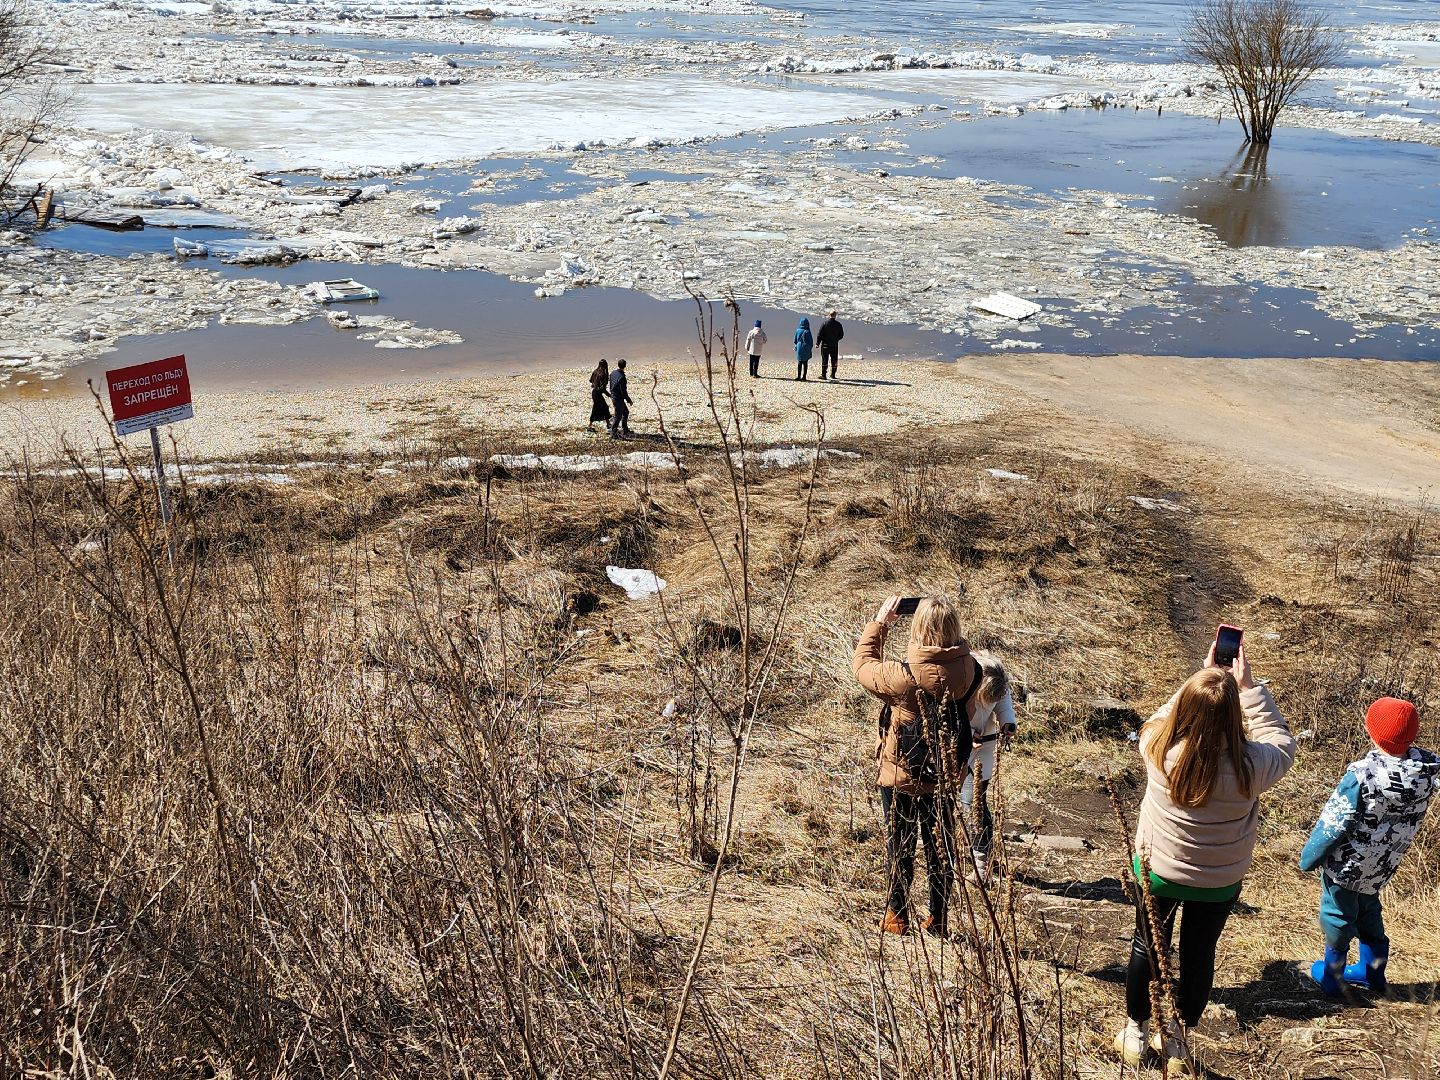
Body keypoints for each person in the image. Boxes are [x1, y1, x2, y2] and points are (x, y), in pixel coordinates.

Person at [1115, 643, 1296, 1074]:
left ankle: (1136, 1031)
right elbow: (1282, 742)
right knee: (1199, 957)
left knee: (1146, 946)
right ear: (1236, 716)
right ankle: (1176, 1041)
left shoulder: (1159, 749)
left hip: (1157, 872)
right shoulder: (1254, 764)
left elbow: (1161, 717)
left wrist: (1199, 681)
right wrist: (1246, 687)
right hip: (1219, 882)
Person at [853, 595, 982, 938]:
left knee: (901, 843)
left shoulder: (903, 677)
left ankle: (896, 915)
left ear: (918, 628)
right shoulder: (973, 671)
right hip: (945, 775)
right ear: (955, 629)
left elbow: (862, 666)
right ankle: (938, 918)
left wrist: (880, 623)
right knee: (941, 845)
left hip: (901, 776)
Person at [1299, 697, 1437, 997]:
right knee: (1369, 910)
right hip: (1383, 864)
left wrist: (1308, 857)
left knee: (1337, 915)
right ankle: (1372, 973)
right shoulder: (1424, 773)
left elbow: (1334, 822)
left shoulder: (1362, 776)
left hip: (1347, 865)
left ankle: (1333, 977)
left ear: (1371, 731)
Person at [961, 651, 1017, 884]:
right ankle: (959, 853)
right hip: (956, 746)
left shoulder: (996, 679)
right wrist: (963, 736)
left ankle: (982, 864)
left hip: (984, 747)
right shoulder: (963, 676)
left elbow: (1003, 700)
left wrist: (1007, 722)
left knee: (974, 803)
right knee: (949, 802)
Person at [608, 358, 633, 439]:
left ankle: (625, 429)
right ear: (625, 366)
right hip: (618, 398)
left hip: (614, 396)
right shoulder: (622, 377)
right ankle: (613, 432)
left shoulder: (612, 373)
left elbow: (611, 384)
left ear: (618, 365)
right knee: (618, 416)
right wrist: (629, 400)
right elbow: (623, 392)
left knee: (625, 412)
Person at [817, 310, 844, 380]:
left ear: (829, 315)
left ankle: (824, 375)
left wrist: (818, 343)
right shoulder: (838, 324)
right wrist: (836, 339)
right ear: (835, 316)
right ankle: (833, 374)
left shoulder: (824, 323)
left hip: (825, 345)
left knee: (824, 360)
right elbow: (841, 335)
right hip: (834, 345)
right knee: (834, 360)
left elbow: (820, 334)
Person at [588, 359, 611, 432]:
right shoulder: (603, 374)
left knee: (602, 408)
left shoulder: (595, 371)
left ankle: (608, 423)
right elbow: (603, 389)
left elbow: (591, 381)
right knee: (601, 408)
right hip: (598, 394)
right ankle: (590, 425)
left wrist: (595, 384)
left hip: (594, 393)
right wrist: (609, 395)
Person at [793, 317, 813, 381]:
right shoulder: (807, 331)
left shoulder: (798, 330)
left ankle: (798, 376)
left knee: (799, 362)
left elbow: (795, 340)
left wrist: (797, 345)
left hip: (799, 347)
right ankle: (804, 377)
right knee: (805, 363)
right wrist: (810, 347)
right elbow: (811, 341)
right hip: (806, 348)